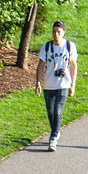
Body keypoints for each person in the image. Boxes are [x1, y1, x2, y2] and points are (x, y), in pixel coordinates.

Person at [34, 20, 77, 152]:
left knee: (58, 110)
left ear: (64, 32)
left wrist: (72, 84)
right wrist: (38, 83)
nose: (56, 34)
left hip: (63, 83)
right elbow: (41, 65)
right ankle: (56, 130)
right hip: (49, 84)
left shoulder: (69, 46)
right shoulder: (46, 47)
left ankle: (53, 138)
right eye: (54, 31)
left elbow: (74, 65)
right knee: (51, 112)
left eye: (58, 32)